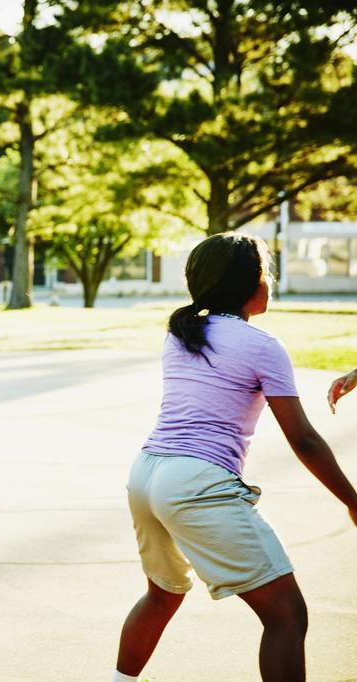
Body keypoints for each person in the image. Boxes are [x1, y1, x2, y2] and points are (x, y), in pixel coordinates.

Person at [112, 232, 357, 682]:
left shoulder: (182, 332)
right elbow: (302, 439)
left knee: (162, 596)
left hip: (146, 474)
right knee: (286, 614)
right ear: (256, 284)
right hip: (195, 483)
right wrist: (352, 499)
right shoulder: (262, 345)